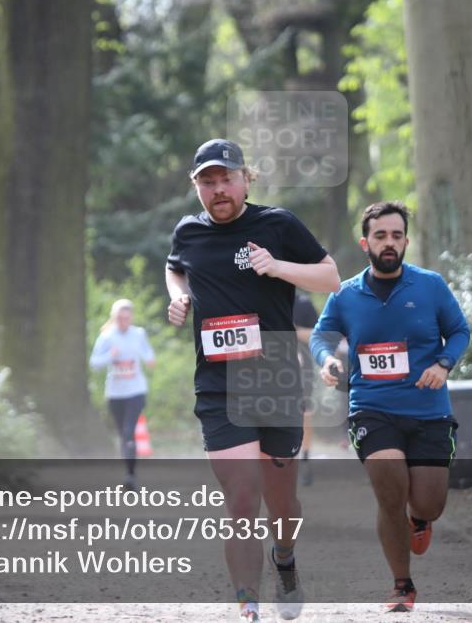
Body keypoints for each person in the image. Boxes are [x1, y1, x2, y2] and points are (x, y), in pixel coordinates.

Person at [166, 139, 340, 622]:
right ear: (196, 187)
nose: (218, 189)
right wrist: (178, 297)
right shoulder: (188, 231)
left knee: (282, 501)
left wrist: (277, 266)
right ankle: (248, 606)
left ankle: (284, 555)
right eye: (207, 181)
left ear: (246, 178)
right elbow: (175, 266)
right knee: (242, 496)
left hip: (276, 376)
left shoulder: (277, 224)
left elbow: (331, 278)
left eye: (226, 179)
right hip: (218, 382)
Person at [310, 201, 470, 613]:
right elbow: (321, 335)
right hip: (372, 408)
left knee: (429, 503)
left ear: (406, 241)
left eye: (396, 236)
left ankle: (420, 521)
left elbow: (458, 331)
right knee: (389, 493)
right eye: (380, 236)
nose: (389, 243)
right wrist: (327, 360)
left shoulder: (430, 285)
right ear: (365, 242)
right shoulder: (345, 294)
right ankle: (402, 585)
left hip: (428, 408)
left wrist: (443, 364)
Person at [89, 298, 155, 490]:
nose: (124, 321)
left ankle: (130, 475)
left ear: (131, 317)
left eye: (127, 317)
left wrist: (148, 359)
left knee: (128, 432)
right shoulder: (107, 337)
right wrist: (111, 355)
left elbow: (149, 354)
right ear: (114, 318)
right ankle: (129, 470)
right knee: (123, 434)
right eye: (120, 318)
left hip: (136, 391)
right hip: (115, 394)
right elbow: (94, 363)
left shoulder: (139, 334)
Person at [291, 293, 318, 486]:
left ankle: (305, 459)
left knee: (304, 413)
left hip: (303, 369)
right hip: (267, 367)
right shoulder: (258, 297)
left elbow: (318, 334)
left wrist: (291, 332)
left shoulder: (303, 303)